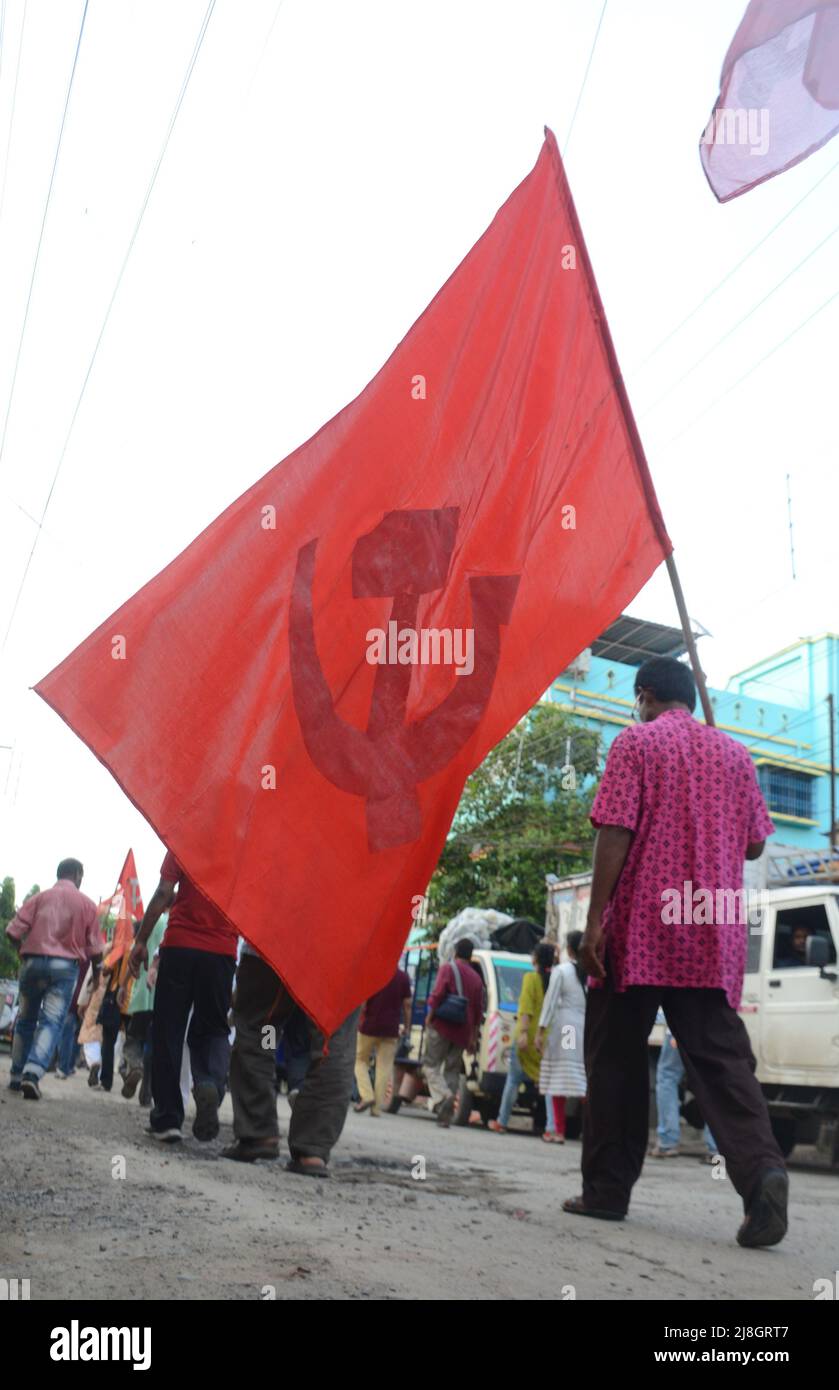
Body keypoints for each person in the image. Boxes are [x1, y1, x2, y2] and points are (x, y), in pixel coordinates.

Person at [564, 656, 787, 1249]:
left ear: (644, 696)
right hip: (710, 931)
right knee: (722, 1062)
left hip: (640, 929)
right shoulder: (734, 754)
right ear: (690, 697)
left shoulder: (635, 744)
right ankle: (763, 1170)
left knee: (614, 1058)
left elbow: (615, 831)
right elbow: (756, 844)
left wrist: (593, 926)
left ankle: (607, 1192)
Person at [222, 940, 360, 1175]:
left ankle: (258, 1130)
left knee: (262, 1029)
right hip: (344, 947)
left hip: (273, 942)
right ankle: (312, 1149)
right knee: (332, 1041)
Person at [128, 852, 238, 1143]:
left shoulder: (187, 837)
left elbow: (165, 891)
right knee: (213, 1028)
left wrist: (141, 940)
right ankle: (208, 1082)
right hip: (222, 951)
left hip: (180, 946)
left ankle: (167, 1119)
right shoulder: (247, 845)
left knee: (168, 1031)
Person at [5, 859, 102, 1100]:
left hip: (32, 962)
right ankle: (32, 1072)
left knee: (26, 1019)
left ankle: (16, 1075)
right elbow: (96, 951)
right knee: (50, 1022)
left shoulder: (39, 898)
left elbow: (13, 931)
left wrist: (22, 952)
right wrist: (97, 978)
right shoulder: (87, 905)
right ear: (78, 875)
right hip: (63, 968)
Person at [489, 941, 554, 1134]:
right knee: (549, 1084)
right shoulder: (556, 980)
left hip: (528, 1038)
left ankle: (502, 1121)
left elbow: (526, 1009)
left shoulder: (530, 979)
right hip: (545, 1040)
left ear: (535, 959)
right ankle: (552, 1128)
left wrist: (524, 1033)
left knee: (513, 1081)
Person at [423, 938, 485, 1127]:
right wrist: (473, 1038)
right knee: (452, 1070)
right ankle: (445, 1117)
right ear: (470, 955)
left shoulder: (448, 969)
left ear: (455, 952)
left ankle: (444, 1097)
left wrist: (430, 1016)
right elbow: (477, 1011)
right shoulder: (477, 979)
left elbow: (438, 994)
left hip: (442, 1025)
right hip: (463, 1031)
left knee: (430, 1065)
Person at [536, 929, 587, 1143]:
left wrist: (540, 1030)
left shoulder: (562, 971)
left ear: (569, 949)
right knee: (580, 1079)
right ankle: (596, 1128)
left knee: (562, 1078)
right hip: (585, 1027)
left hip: (566, 1028)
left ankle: (558, 1130)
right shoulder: (590, 972)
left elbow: (550, 1001)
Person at [651, 1026, 718, 1161]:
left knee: (668, 1075)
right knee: (713, 1081)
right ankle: (717, 1146)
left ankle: (667, 1142)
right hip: (715, 1027)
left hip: (684, 1026)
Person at [354, 965, 412, 1117]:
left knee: (359, 1060)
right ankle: (376, 1109)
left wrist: (358, 1021)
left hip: (369, 1025)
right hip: (391, 1029)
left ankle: (367, 1096)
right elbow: (407, 1005)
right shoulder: (403, 977)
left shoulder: (375, 972)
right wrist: (406, 1027)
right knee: (384, 1067)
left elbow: (363, 1002)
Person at [121, 914, 167, 1102]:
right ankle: (147, 1092)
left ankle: (134, 1065)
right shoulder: (171, 922)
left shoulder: (150, 923)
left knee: (134, 1037)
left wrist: (123, 986)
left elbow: (134, 957)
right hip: (164, 991)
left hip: (142, 991)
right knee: (155, 1043)